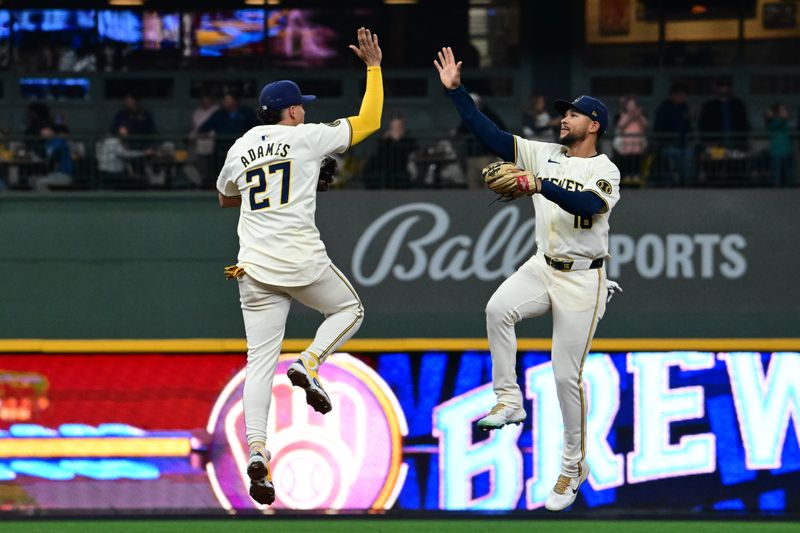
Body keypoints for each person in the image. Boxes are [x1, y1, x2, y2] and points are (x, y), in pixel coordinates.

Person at [434, 46, 621, 512]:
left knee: (564, 376)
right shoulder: (544, 153)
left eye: (574, 114)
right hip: (544, 265)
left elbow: (589, 207)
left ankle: (573, 465)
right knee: (498, 309)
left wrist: (540, 184)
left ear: (593, 124)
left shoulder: (605, 169)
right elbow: (491, 135)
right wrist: (457, 93)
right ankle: (508, 399)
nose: (565, 119)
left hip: (584, 278)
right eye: (565, 113)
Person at [216, 27, 383, 506]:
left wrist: (279, 186)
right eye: (300, 105)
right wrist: (373, 67)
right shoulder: (308, 137)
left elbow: (226, 197)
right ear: (291, 111)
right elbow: (369, 121)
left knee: (258, 364)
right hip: (300, 259)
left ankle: (257, 452)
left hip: (253, 268)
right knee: (349, 310)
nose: (304, 110)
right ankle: (310, 363)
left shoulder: (241, 145)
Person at [199, 93, 260, 186]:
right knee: (222, 172)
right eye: (225, 101)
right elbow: (204, 128)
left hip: (242, 149)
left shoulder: (246, 112)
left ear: (235, 101)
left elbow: (257, 127)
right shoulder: (219, 114)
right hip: (222, 149)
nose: (226, 103)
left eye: (228, 100)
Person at [654, 82, 692, 185]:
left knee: (687, 160)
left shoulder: (685, 107)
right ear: (674, 95)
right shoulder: (664, 108)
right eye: (680, 95)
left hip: (684, 144)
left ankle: (686, 183)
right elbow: (658, 128)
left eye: (684, 96)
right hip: (669, 144)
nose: (682, 98)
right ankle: (670, 183)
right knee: (670, 163)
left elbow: (688, 125)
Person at [365, 115, 418, 189]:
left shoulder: (409, 143)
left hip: (404, 175)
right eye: (395, 128)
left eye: (400, 127)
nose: (398, 130)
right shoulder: (382, 144)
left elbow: (412, 156)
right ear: (390, 129)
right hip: (386, 176)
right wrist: (386, 140)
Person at [612, 96, 648, 185]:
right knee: (626, 159)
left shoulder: (640, 116)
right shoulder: (623, 116)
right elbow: (621, 126)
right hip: (626, 142)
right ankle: (626, 176)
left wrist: (638, 116)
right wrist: (630, 118)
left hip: (637, 142)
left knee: (636, 159)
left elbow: (645, 126)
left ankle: (636, 175)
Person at [29, 125, 74, 191]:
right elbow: (43, 156)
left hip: (64, 175)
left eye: (46, 131)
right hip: (53, 174)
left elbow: (54, 153)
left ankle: (49, 200)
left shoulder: (59, 141)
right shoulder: (46, 144)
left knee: (40, 183)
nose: (44, 134)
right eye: (42, 133)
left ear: (51, 131)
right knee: (32, 180)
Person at [764, 103, 793, 187]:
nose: (785, 111)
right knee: (777, 176)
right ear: (778, 112)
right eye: (782, 110)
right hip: (777, 153)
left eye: (785, 109)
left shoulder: (783, 121)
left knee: (787, 177)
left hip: (787, 151)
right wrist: (772, 116)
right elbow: (773, 126)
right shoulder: (773, 121)